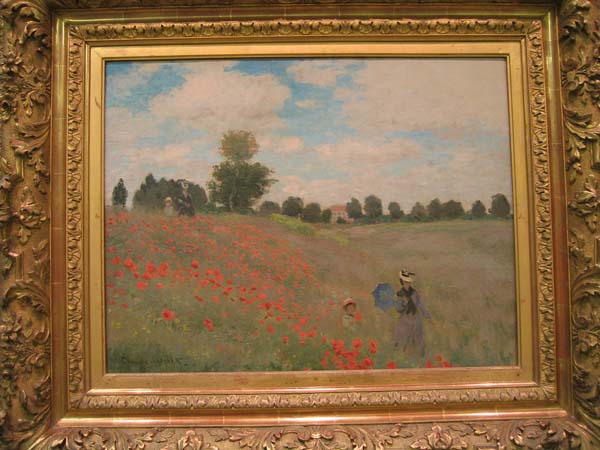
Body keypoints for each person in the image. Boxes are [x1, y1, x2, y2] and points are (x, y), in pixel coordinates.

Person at [394, 270, 430, 357]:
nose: (408, 284)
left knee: (419, 338)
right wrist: (403, 303)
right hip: (405, 320)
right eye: (406, 282)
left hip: (415, 318)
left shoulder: (414, 292)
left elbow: (419, 303)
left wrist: (426, 314)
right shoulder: (399, 294)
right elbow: (398, 309)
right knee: (404, 339)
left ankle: (420, 356)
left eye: (409, 282)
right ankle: (403, 356)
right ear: (402, 282)